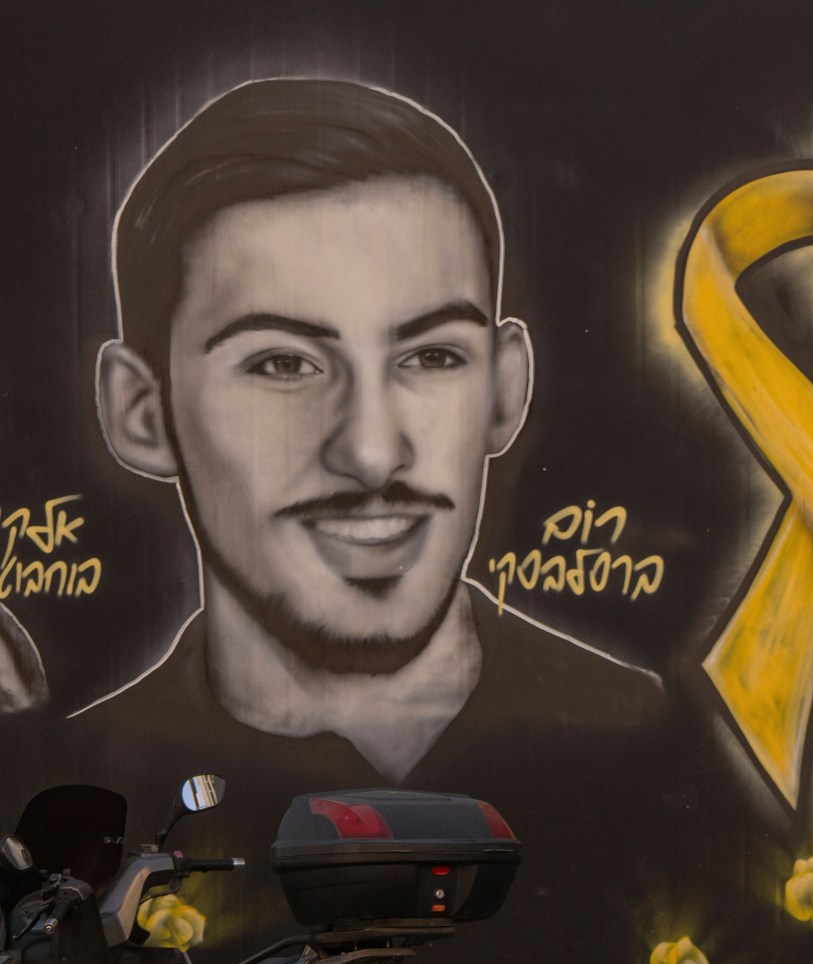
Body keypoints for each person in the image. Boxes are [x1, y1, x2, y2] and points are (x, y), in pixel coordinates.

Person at [80, 77, 659, 781]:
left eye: (433, 356)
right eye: (283, 363)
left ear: (505, 392)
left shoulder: (656, 744)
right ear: (142, 413)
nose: (373, 453)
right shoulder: (79, 784)